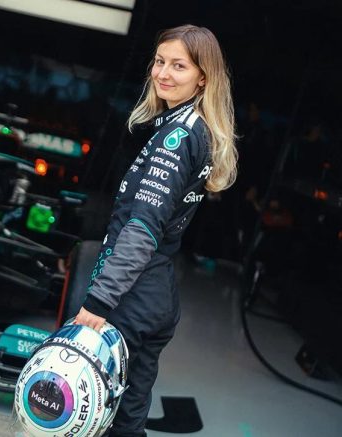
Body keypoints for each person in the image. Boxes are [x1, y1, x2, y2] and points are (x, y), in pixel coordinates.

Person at [74, 25, 237, 436]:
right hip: (156, 293)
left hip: (132, 296)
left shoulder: (176, 137)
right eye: (160, 61)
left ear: (203, 77)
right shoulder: (193, 127)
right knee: (127, 416)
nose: (163, 73)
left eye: (179, 66)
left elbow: (143, 228)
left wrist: (99, 301)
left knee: (87, 409)